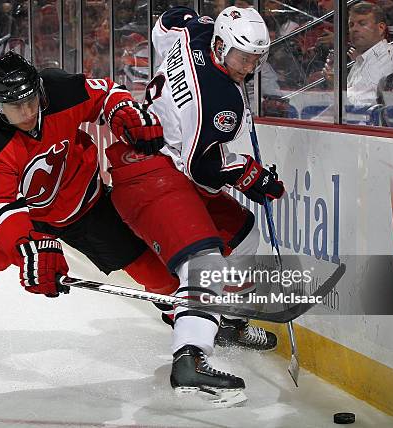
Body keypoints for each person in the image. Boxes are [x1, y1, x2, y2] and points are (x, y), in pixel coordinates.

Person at [0, 51, 180, 386]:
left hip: (84, 202)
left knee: (150, 268)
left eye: (30, 100)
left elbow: (106, 94)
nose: (25, 112)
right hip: (27, 219)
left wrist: (121, 109)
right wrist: (28, 247)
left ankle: (182, 316)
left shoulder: (59, 89)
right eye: (14, 106)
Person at [105, 6, 283, 402]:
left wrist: (194, 17)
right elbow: (201, 168)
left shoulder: (194, 33)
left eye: (257, 58)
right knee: (205, 260)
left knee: (245, 234)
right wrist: (247, 173)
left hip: (163, 161)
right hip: (150, 171)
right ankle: (190, 359)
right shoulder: (221, 101)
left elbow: (166, 21)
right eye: (242, 57)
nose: (249, 67)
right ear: (221, 46)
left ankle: (231, 323)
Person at [324, 2, 393, 107]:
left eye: (362, 23)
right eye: (351, 25)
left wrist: (336, 84)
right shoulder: (361, 59)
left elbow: (363, 102)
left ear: (381, 28)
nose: (354, 29)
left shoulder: (388, 55)